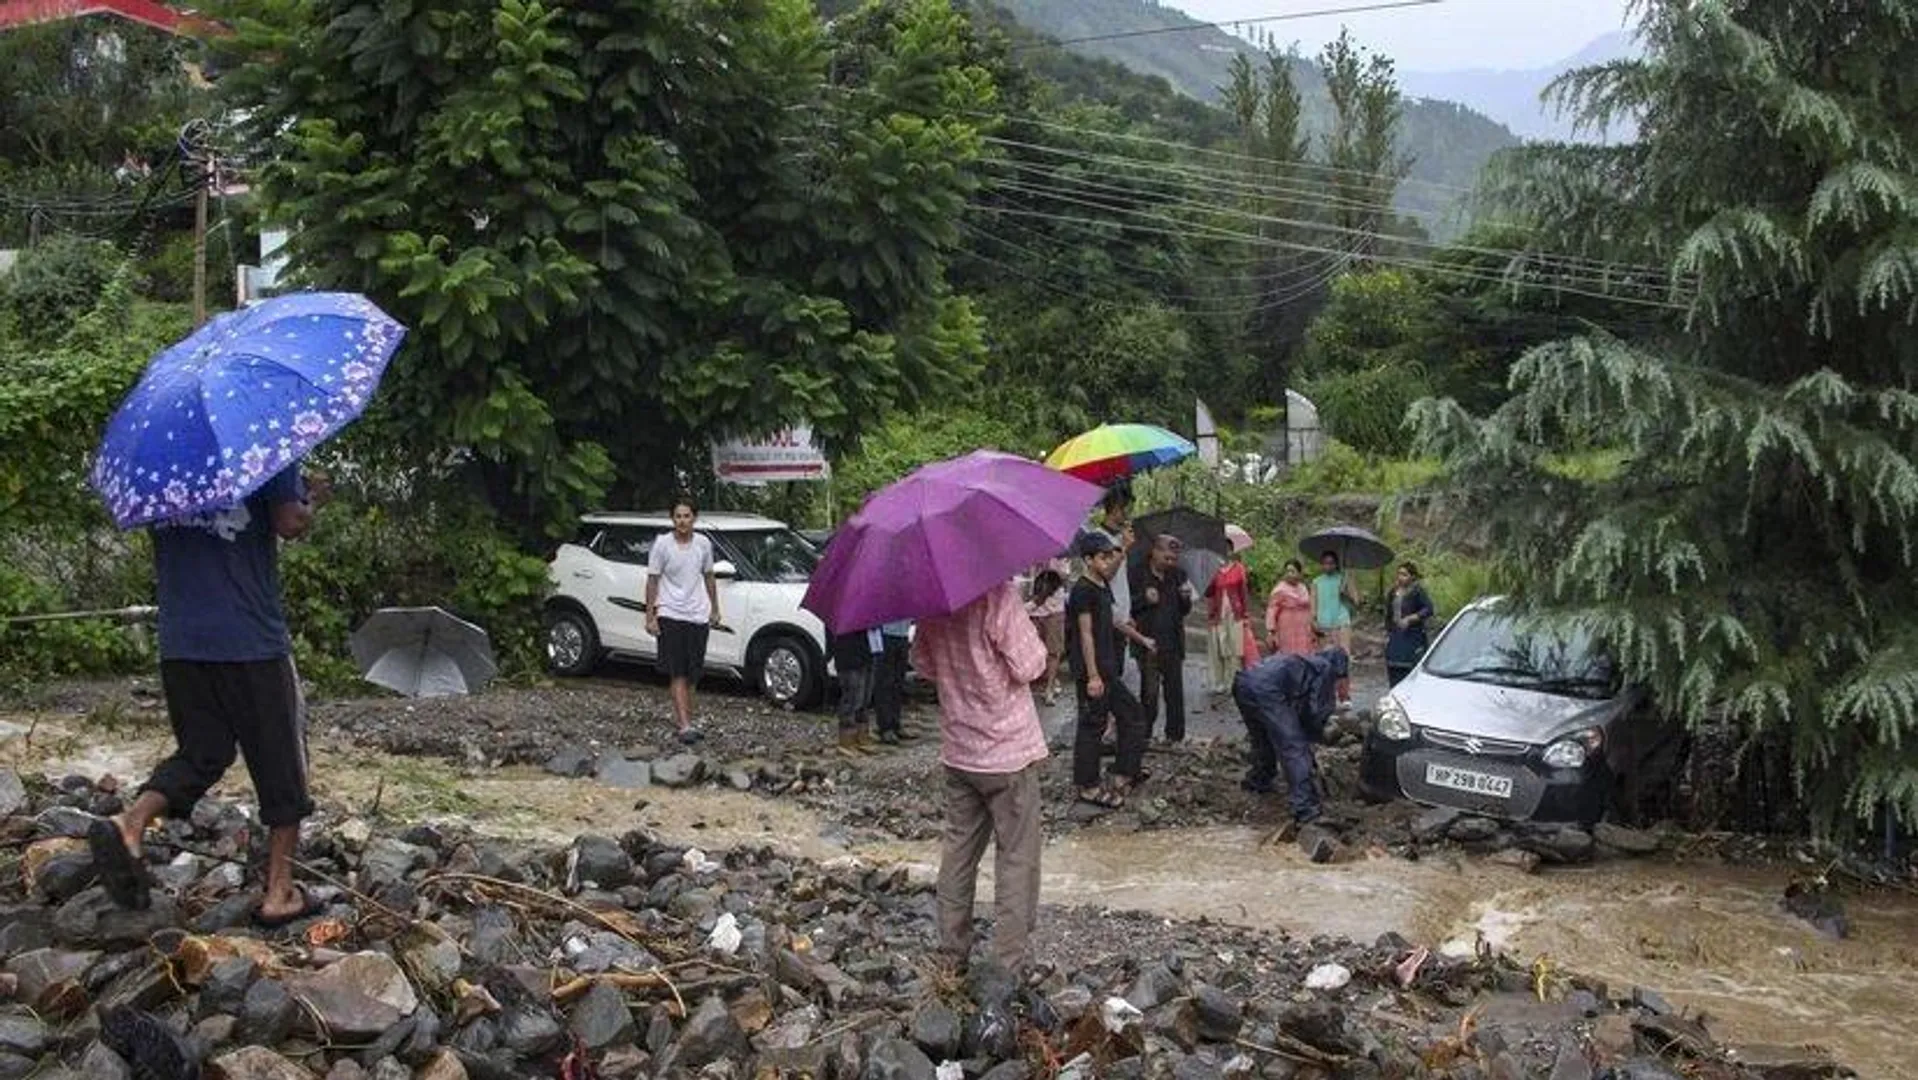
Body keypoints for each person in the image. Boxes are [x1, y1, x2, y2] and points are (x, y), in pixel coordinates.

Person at [89, 465, 326, 926]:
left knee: (203, 751)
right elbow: (290, 523)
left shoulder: (156, 463)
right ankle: (279, 892)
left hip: (181, 641)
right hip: (250, 640)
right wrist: (311, 498)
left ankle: (131, 823)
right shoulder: (261, 447)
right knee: (282, 763)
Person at [909, 580, 1048, 974]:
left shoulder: (931, 602)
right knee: (1017, 857)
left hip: (960, 750)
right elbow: (1031, 665)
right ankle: (1008, 962)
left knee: (958, 853)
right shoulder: (997, 595)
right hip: (1008, 753)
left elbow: (923, 664)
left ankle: (952, 954)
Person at [1232, 647, 1350, 862]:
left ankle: (1258, 780)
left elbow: (1299, 703)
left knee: (1263, 740)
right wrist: (1312, 736)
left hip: (1243, 683)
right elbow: (1316, 711)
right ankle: (1305, 809)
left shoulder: (1303, 661)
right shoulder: (1325, 669)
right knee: (1293, 748)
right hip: (1266, 690)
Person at [1066, 531, 1147, 808]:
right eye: (1103, 556)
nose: (1108, 561)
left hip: (1108, 668)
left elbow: (1110, 620)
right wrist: (1092, 675)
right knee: (1092, 725)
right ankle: (1087, 785)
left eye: (1110, 556)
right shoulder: (1082, 591)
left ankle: (1123, 772)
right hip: (1094, 671)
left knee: (1133, 715)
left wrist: (1122, 550)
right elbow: (1085, 634)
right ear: (1088, 560)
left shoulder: (1101, 585)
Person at [646, 497, 721, 744]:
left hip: (697, 613)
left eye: (686, 516)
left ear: (694, 518)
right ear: (672, 519)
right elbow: (653, 580)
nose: (682, 521)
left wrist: (715, 608)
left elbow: (709, 576)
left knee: (693, 672)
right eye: (678, 516)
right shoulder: (662, 545)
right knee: (677, 671)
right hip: (670, 612)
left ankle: (688, 718)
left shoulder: (703, 544)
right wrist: (651, 616)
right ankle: (684, 724)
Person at [1130, 534, 1193, 744]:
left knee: (1174, 692)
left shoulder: (1178, 574)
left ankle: (1175, 735)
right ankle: (1144, 733)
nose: (1170, 562)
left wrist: (1185, 598)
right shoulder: (1137, 573)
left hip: (1173, 641)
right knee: (1149, 693)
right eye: (1166, 557)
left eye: (1174, 558)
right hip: (1147, 642)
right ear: (1154, 551)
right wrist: (1143, 599)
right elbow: (1124, 608)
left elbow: (1184, 611)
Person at [1205, 544, 1257, 696]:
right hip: (1217, 614)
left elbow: (1243, 592)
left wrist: (1246, 613)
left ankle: (1233, 682)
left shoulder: (1239, 568)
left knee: (1235, 649)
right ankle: (1219, 682)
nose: (1225, 551)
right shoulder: (1215, 569)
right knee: (1218, 648)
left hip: (1235, 613)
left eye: (1228, 548)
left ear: (1232, 550)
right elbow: (1209, 592)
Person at [1311, 551, 1358, 707]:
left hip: (1341, 622)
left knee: (1342, 658)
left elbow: (1356, 601)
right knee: (1324, 661)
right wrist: (1313, 622)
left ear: (1336, 564)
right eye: (1325, 563)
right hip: (1323, 624)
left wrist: (1346, 592)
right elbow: (1313, 604)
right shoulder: (1316, 582)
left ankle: (1344, 696)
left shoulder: (1344, 579)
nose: (1328, 566)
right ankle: (1326, 696)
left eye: (1331, 563)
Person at [1024, 558, 1070, 705]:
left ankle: (1049, 688)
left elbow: (1063, 577)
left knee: (1053, 651)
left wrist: (1051, 568)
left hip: (1053, 610)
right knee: (1032, 650)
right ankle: (1042, 681)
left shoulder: (1059, 558)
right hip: (1032, 610)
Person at [831, 626, 882, 755]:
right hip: (848, 655)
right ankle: (846, 739)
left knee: (866, 697)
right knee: (852, 698)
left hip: (868, 652)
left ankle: (862, 734)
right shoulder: (841, 613)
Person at [1385, 562, 1435, 687]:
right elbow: (1388, 615)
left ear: (1412, 577)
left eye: (1404, 574)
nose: (1400, 577)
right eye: (1399, 574)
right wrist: (1387, 633)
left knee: (1410, 669)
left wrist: (1411, 618)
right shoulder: (1393, 592)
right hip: (1396, 636)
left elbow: (1429, 609)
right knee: (1393, 666)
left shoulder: (1417, 591)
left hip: (1413, 636)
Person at [872, 619, 914, 744]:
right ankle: (885, 727)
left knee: (898, 683)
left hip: (903, 635)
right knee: (885, 683)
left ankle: (896, 723)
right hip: (885, 635)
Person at [1266, 559, 1316, 657]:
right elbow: (1271, 610)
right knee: (1288, 654)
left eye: (1292, 571)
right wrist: (1271, 631)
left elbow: (1309, 607)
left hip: (1303, 626)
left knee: (1304, 653)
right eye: (1287, 571)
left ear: (1299, 573)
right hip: (1286, 626)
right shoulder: (1279, 589)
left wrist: (1313, 625)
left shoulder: (1303, 587)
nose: (1289, 574)